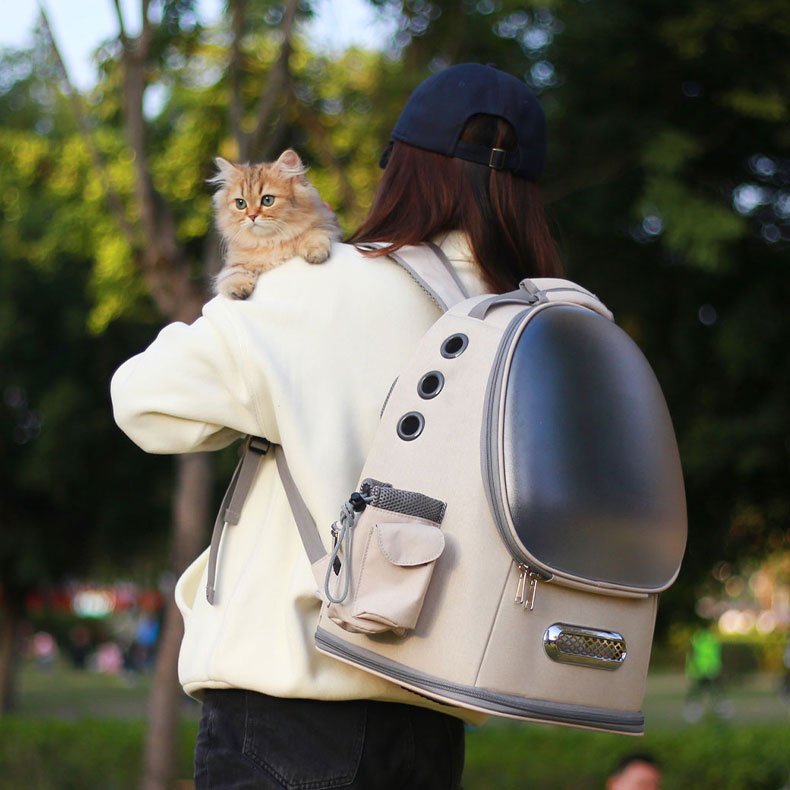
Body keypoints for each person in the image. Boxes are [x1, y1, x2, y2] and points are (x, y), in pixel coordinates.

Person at [111, 63, 561, 790]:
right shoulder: (536, 323)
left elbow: (144, 402)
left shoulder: (319, 286)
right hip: (437, 721)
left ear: (402, 172)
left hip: (286, 709)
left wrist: (242, 316)